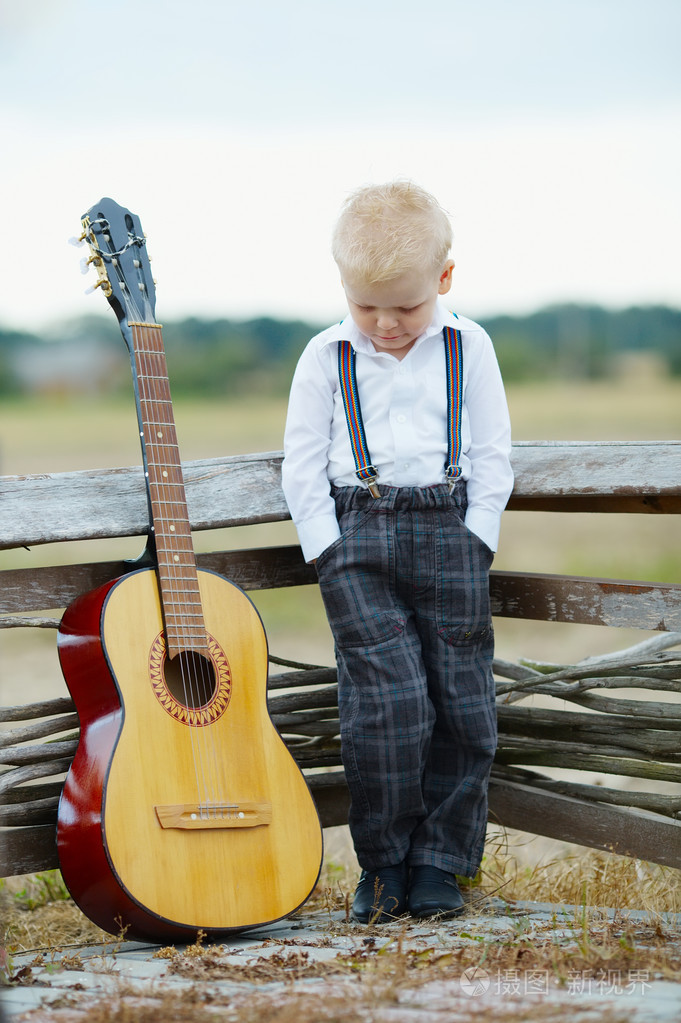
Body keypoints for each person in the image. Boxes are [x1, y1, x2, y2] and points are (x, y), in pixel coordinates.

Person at [282, 181, 513, 923]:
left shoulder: (466, 346)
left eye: (405, 307)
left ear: (443, 281)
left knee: (462, 705)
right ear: (343, 288)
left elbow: (493, 453)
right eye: (365, 306)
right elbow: (301, 464)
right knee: (384, 708)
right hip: (359, 541)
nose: (384, 324)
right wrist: (328, 551)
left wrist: (476, 535)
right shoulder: (325, 356)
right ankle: (381, 864)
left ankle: (440, 863)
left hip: (451, 535)